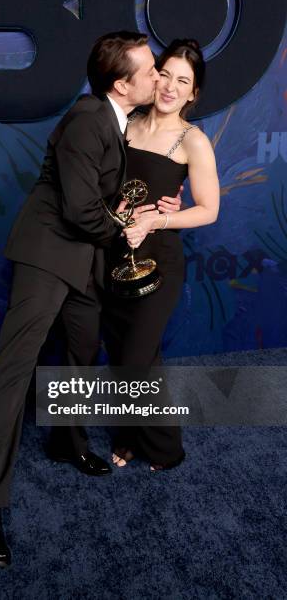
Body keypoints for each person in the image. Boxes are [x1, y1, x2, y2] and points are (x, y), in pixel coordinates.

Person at [0, 31, 182, 568]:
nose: (158, 76)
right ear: (122, 84)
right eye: (150, 70)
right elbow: (82, 212)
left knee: (81, 349)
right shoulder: (87, 119)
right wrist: (128, 229)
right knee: (13, 374)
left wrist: (156, 209)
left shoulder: (119, 120)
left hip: (83, 260)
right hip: (48, 254)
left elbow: (109, 196)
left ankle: (65, 438)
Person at [101, 39, 220, 471]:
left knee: (136, 358)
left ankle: (167, 450)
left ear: (193, 94)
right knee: (126, 357)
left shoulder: (194, 141)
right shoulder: (125, 121)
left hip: (159, 261)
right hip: (113, 254)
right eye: (164, 74)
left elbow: (209, 210)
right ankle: (133, 437)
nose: (170, 86)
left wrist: (158, 220)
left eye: (182, 81)